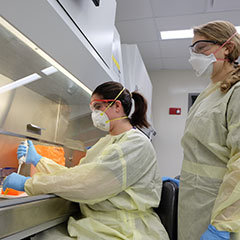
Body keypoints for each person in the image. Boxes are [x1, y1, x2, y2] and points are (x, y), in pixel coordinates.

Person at [3, 81, 169, 240]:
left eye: (98, 106)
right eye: (92, 108)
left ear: (117, 106)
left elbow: (88, 184)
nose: (94, 114)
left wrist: (29, 184)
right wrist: (39, 161)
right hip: (100, 224)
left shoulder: (136, 143)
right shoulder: (106, 142)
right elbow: (77, 175)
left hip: (125, 229)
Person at [178, 20, 240, 240]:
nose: (194, 55)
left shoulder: (237, 92)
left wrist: (222, 225)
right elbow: (204, 148)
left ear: (228, 47)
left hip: (218, 207)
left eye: (201, 48)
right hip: (194, 196)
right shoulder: (209, 92)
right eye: (193, 49)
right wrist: (183, 177)